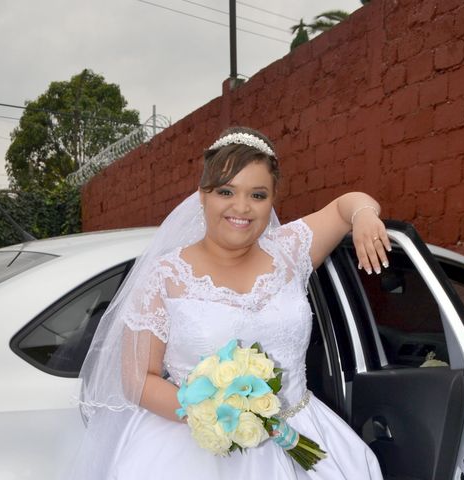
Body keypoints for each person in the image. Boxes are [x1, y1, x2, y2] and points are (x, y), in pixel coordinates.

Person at [70, 126, 388, 479]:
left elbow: (348, 205)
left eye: (257, 195)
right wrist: (216, 415)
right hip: (194, 450)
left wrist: (364, 216)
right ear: (202, 196)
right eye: (226, 191)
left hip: (300, 434)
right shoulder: (166, 275)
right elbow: (137, 379)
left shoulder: (290, 251)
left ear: (272, 199)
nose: (241, 207)